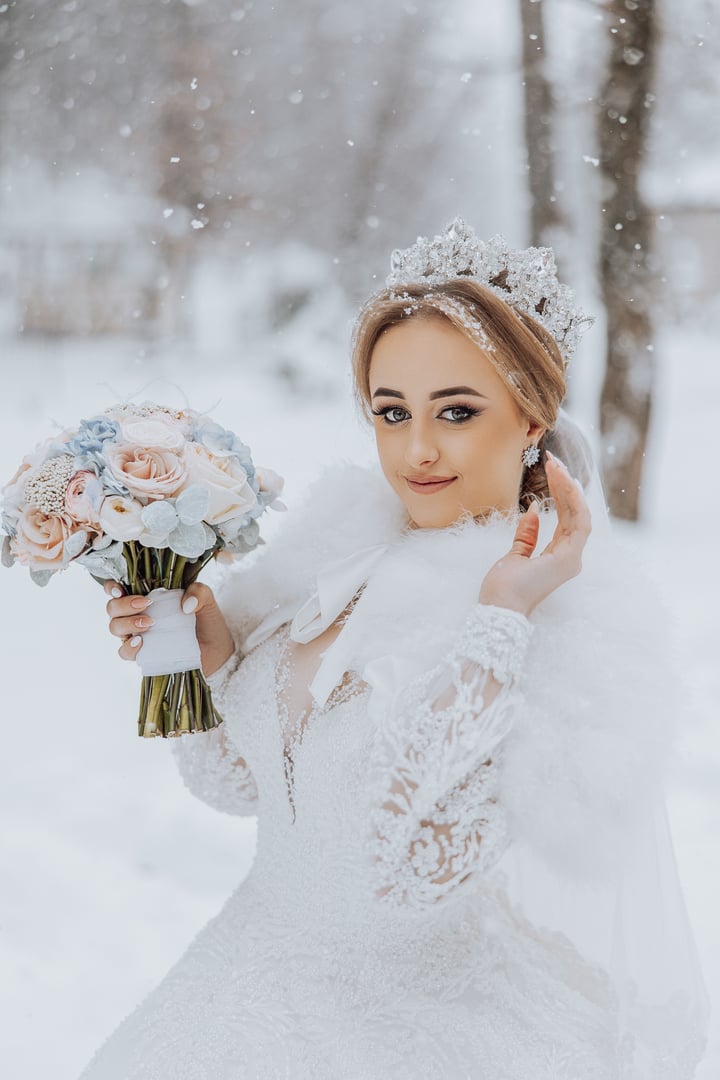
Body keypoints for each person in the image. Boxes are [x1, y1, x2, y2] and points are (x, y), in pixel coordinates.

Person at [82, 219, 708, 1079]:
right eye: (390, 411)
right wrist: (205, 658)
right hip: (239, 991)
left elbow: (405, 871)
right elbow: (235, 787)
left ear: (532, 415)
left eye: (457, 411)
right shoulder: (327, 560)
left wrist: (498, 623)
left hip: (412, 1035)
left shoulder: (566, 619)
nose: (416, 449)